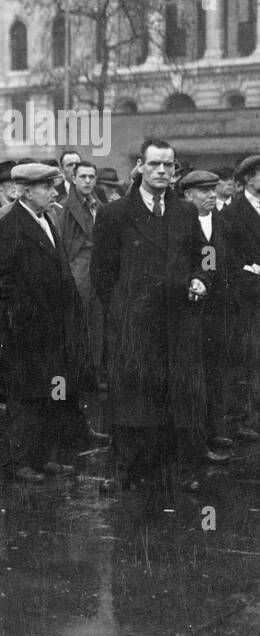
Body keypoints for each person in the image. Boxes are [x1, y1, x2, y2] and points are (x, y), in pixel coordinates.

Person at [92, 138, 207, 494]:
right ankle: (126, 471)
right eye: (155, 164)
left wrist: (202, 278)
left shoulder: (186, 212)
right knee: (132, 399)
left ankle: (177, 471)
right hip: (134, 323)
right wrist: (123, 311)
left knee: (176, 398)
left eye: (169, 165)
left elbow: (205, 255)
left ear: (175, 170)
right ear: (139, 166)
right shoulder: (114, 214)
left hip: (177, 321)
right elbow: (102, 273)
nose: (162, 171)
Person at [0, 163, 87, 483]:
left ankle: (45, 457)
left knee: (51, 393)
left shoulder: (45, 220)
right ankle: (20, 461)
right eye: (46, 187)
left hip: (53, 327)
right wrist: (21, 317)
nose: (54, 192)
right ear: (25, 191)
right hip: (26, 331)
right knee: (25, 398)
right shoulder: (10, 225)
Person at [180, 170, 232, 468]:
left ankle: (211, 431)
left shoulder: (220, 222)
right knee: (193, 378)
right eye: (204, 191)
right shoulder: (183, 223)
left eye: (213, 190)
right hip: (191, 308)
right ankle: (195, 441)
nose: (212, 195)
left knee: (214, 372)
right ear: (188, 195)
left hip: (218, 310)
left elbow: (221, 260)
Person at [220, 153, 260, 443]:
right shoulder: (232, 215)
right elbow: (228, 262)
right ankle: (240, 418)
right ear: (248, 178)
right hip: (247, 298)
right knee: (245, 359)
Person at [59, 161, 104, 384]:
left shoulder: (99, 205)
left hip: (98, 266)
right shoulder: (64, 208)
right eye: (83, 176)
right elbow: (63, 242)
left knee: (97, 320)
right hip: (78, 267)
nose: (87, 181)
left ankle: (93, 371)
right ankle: (77, 372)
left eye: (91, 177)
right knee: (79, 319)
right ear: (73, 179)